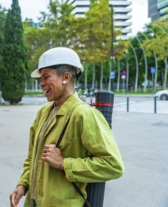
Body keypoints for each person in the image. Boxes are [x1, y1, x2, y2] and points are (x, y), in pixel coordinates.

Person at [9, 47, 124, 207]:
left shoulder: (83, 115)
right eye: (40, 78)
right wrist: (23, 185)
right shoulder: (43, 112)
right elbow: (32, 158)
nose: (41, 83)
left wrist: (64, 163)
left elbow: (113, 165)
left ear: (66, 77)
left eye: (46, 77)